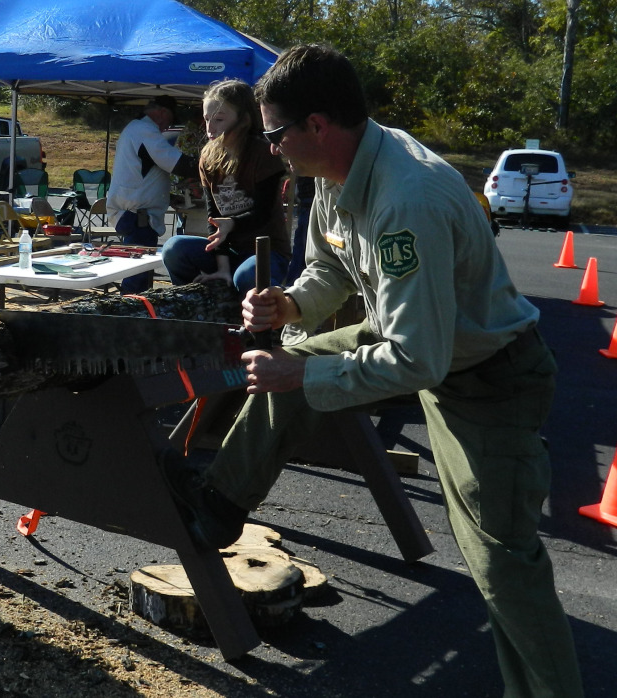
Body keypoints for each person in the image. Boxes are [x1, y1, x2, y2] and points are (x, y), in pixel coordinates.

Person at [163, 45, 583, 697]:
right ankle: (220, 503)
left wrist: (303, 379)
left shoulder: (406, 199)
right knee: (294, 354)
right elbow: (331, 269)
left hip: (489, 377)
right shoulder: (335, 172)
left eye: (274, 133)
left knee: (501, 563)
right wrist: (292, 302)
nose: (268, 148)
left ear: (319, 126)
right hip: (425, 344)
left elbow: (418, 358)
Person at [160, 79, 289, 296]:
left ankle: (250, 321)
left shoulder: (264, 153)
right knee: (174, 248)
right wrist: (222, 268)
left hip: (266, 252)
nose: (210, 128)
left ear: (244, 119)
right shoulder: (208, 157)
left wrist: (232, 224)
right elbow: (214, 219)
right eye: (206, 119)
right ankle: (196, 306)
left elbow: (263, 213)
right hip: (228, 252)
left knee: (246, 276)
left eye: (218, 119)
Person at [106, 95, 198, 293]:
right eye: (169, 121)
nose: (167, 128)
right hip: (136, 216)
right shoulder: (144, 130)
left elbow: (147, 174)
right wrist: (210, 164)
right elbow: (174, 162)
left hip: (135, 214)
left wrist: (169, 198)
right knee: (137, 276)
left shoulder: (137, 129)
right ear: (162, 113)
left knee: (141, 275)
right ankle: (129, 315)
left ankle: (134, 312)